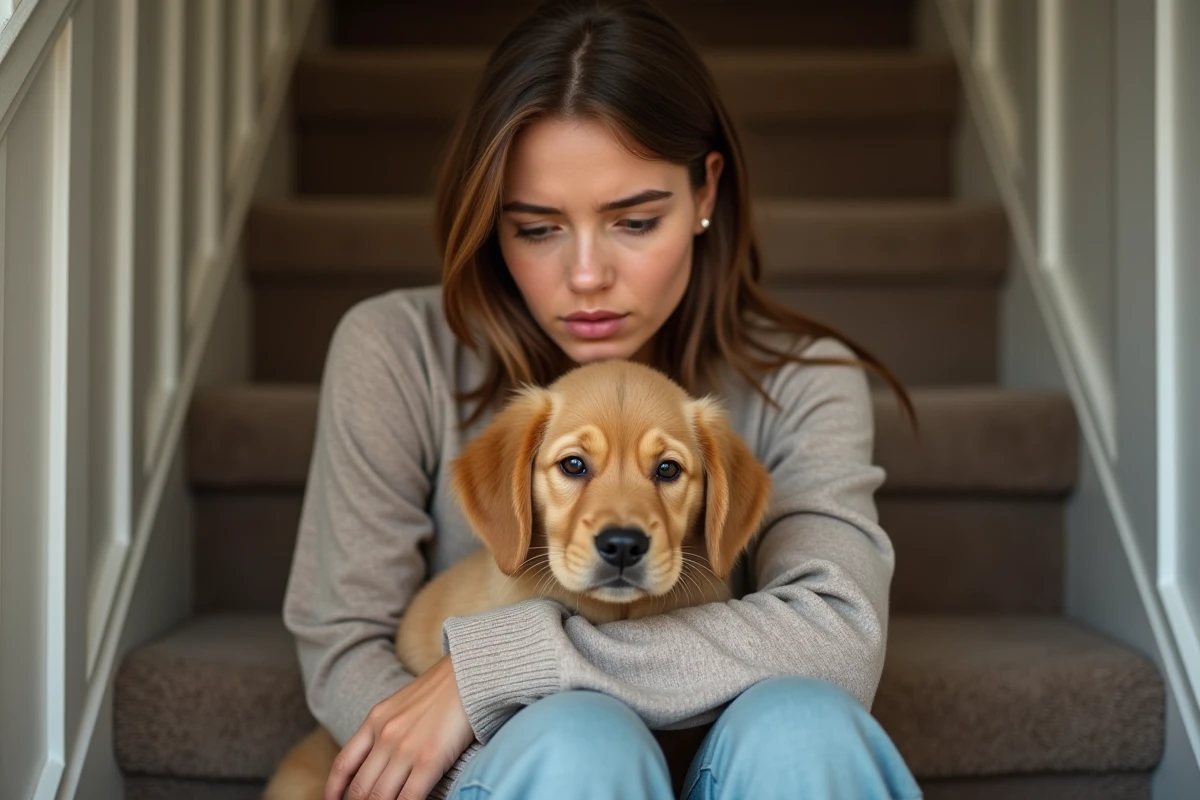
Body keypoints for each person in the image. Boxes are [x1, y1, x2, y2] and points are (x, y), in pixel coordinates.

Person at [281, 1, 925, 798]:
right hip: (524, 774)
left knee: (806, 730)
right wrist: (523, 759)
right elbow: (348, 647)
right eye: (538, 229)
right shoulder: (394, 349)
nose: (587, 276)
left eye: (634, 220)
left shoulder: (800, 378)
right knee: (579, 743)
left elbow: (839, 634)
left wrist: (496, 668)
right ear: (491, 223)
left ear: (704, 192)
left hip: (732, 769)